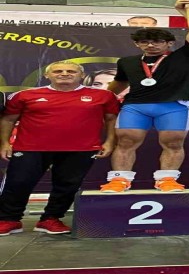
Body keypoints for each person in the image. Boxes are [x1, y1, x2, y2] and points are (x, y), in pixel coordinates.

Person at [99, 0, 189, 193]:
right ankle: (119, 180)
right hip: (135, 107)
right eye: (145, 42)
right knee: (126, 141)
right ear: (137, 44)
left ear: (169, 43)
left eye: (157, 41)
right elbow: (120, 82)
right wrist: (100, 100)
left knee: (173, 142)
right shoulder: (127, 62)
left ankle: (167, 180)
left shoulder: (186, 56)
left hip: (173, 106)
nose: (151, 45)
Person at [0, 61, 119, 236]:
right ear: (47, 75)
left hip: (81, 148)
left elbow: (111, 119)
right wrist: (4, 143)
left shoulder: (104, 96)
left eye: (71, 71)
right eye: (58, 71)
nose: (64, 74)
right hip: (30, 148)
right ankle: (9, 220)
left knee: (67, 185)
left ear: (81, 75)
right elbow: (8, 119)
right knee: (18, 182)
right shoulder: (24, 95)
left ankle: (51, 219)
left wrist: (109, 141)